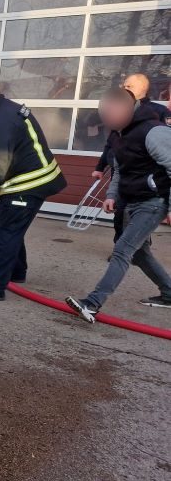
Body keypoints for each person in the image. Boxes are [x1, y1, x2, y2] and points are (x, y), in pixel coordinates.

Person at [66, 88, 171, 320]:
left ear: (128, 108)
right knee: (140, 254)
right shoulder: (117, 134)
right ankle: (169, 293)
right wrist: (112, 195)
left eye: (111, 113)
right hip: (130, 200)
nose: (107, 119)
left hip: (153, 201)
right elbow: (120, 168)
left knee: (122, 250)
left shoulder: (154, 132)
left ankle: (92, 303)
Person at [0, 83, 66, 300]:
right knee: (13, 228)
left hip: (27, 184)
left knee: (7, 233)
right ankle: (16, 271)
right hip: (36, 178)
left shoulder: (1, 121)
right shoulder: (6, 109)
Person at [92, 74, 170, 241]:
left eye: (129, 86)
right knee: (119, 216)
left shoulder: (159, 111)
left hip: (147, 180)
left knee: (140, 220)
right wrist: (100, 167)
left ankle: (137, 250)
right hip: (122, 173)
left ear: (142, 89)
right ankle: (121, 249)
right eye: (124, 86)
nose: (123, 89)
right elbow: (110, 143)